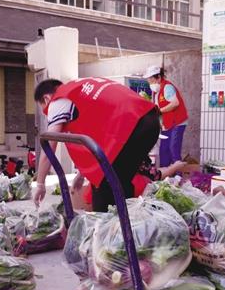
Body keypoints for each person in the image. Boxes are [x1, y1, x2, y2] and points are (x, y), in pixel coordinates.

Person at [33, 77, 160, 212]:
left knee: (103, 186)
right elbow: (97, 133)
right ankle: (126, 227)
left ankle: (108, 229)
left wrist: (40, 184)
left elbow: (49, 146)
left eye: (44, 110)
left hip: (132, 125)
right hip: (150, 121)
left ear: (46, 99)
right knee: (119, 183)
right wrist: (82, 174)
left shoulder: (58, 99)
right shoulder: (80, 90)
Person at [80, 157, 186, 210]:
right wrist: (175, 167)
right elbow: (155, 175)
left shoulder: (113, 143)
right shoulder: (136, 147)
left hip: (100, 188)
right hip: (125, 192)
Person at [144, 66, 188, 167]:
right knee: (163, 150)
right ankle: (165, 175)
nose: (150, 84)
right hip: (167, 123)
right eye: (149, 81)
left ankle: (177, 177)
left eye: (152, 81)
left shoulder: (167, 87)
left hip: (178, 122)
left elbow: (175, 103)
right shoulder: (157, 92)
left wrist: (160, 111)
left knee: (173, 149)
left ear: (159, 77)